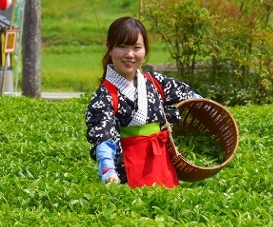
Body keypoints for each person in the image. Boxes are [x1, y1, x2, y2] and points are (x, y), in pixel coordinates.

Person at [85, 16, 200, 188]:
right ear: (110, 49)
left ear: (145, 50)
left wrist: (207, 107)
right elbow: (103, 137)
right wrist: (108, 170)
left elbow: (191, 98)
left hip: (162, 166)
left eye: (136, 47)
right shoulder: (105, 96)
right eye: (122, 46)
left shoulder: (156, 82)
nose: (130, 54)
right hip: (129, 170)